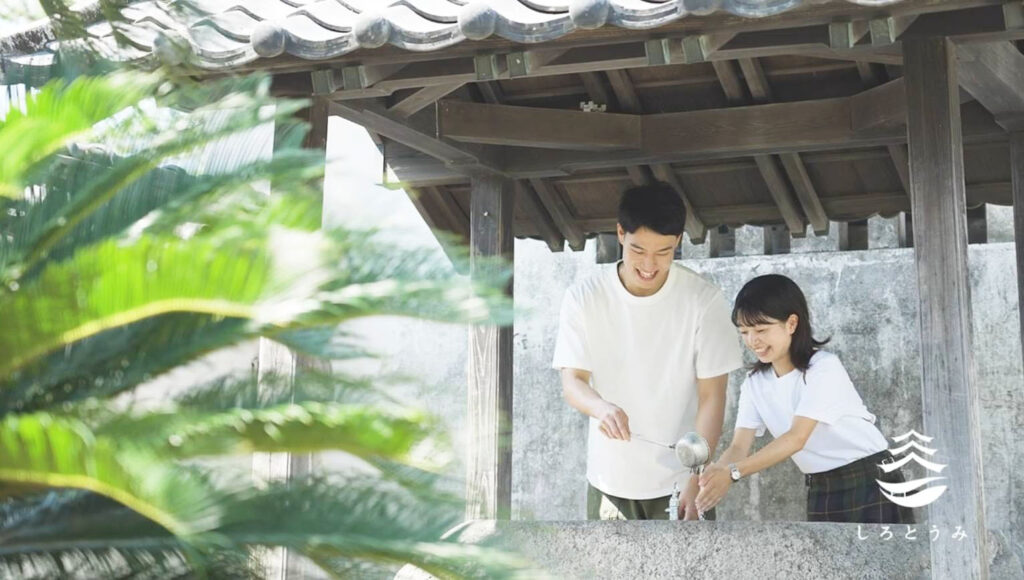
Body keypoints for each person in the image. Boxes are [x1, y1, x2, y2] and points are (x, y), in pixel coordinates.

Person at [552, 182, 743, 520]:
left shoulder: (704, 301)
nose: (649, 265)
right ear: (620, 233)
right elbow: (573, 382)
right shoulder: (583, 297)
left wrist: (696, 476)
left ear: (678, 241)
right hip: (609, 480)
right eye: (638, 250)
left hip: (682, 482)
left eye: (663, 252)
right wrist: (601, 408)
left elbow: (712, 397)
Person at [695, 274, 914, 523]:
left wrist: (732, 473)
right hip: (820, 485)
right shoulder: (754, 383)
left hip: (871, 478)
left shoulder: (823, 367)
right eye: (744, 332)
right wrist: (716, 473)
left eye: (761, 329)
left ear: (791, 323)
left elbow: (796, 438)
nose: (752, 341)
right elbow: (738, 446)